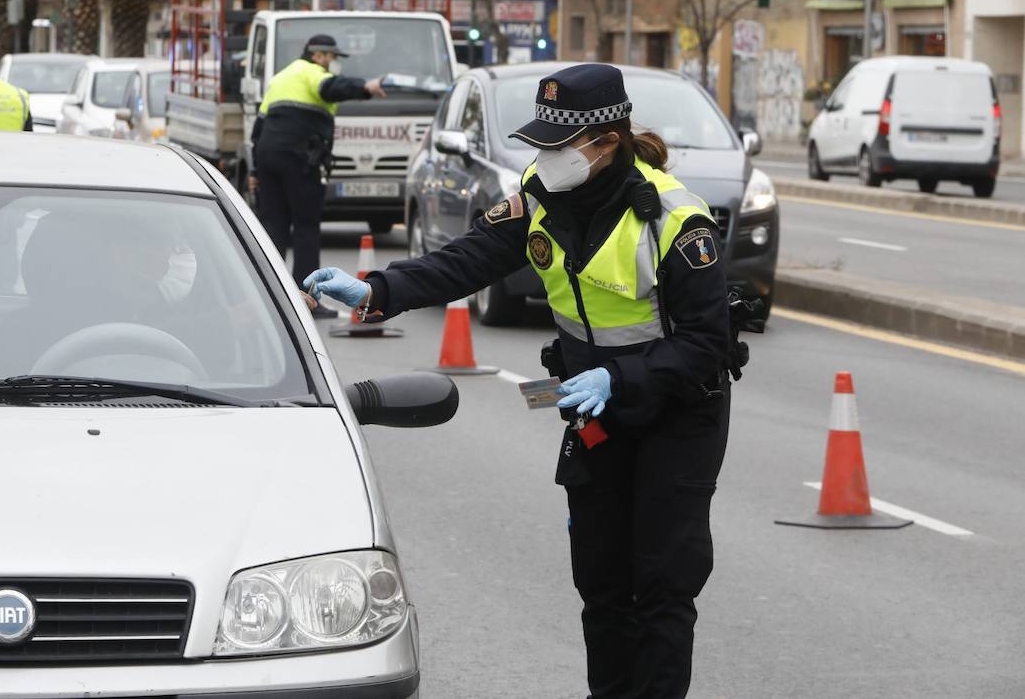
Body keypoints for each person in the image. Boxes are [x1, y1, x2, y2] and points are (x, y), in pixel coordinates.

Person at [305, 63, 732, 698]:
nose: (542, 156)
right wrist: (377, 289)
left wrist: (622, 377)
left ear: (604, 142)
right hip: (597, 412)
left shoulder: (674, 219)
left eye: (556, 146)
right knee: (602, 582)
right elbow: (468, 260)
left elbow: (708, 346)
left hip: (676, 411)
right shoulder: (538, 195)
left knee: (664, 586)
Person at [251, 34, 385, 318]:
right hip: (300, 159)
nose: (329, 63)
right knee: (306, 227)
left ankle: (267, 296)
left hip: (268, 158)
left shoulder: (281, 77)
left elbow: (258, 127)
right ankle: (307, 299)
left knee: (274, 227)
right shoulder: (311, 73)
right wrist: (365, 87)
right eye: (328, 57)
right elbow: (331, 88)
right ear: (318, 55)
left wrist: (254, 170)